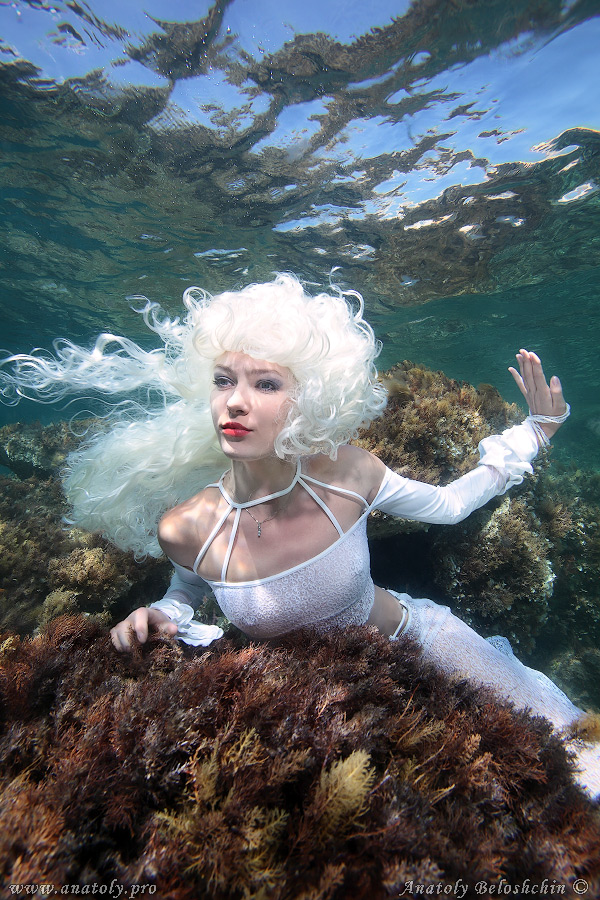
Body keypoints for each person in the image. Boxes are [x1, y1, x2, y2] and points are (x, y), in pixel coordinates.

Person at [1, 274, 596, 796]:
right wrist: (160, 614)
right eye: (222, 379)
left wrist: (534, 433)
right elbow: (186, 592)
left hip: (428, 651)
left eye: (265, 384)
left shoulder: (348, 473)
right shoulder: (186, 527)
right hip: (309, 714)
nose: (235, 401)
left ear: (309, 399)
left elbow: (450, 506)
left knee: (575, 763)